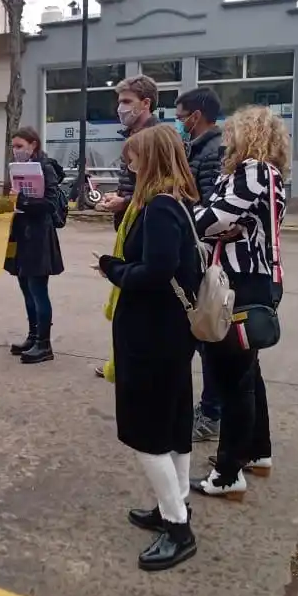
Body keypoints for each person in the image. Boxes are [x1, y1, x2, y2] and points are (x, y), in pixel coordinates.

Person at [93, 124, 202, 572]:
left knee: (147, 434)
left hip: (152, 337)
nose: (128, 165)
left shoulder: (158, 209)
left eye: (133, 159)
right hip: (171, 334)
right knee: (174, 425)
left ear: (150, 160)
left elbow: (155, 273)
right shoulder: (177, 202)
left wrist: (113, 269)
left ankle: (178, 528)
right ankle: (174, 507)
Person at [191, 106, 288, 501]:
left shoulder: (252, 171)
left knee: (231, 378)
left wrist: (195, 217)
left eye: (232, 133)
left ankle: (229, 472)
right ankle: (257, 452)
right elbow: (231, 222)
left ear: (249, 135)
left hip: (238, 283)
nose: (226, 141)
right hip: (256, 280)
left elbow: (213, 217)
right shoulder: (272, 174)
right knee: (248, 376)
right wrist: (225, 225)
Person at [0, 127, 64, 364]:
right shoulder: (19, 169)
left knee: (38, 290)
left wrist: (21, 199)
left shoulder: (45, 168)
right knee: (26, 288)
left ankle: (44, 345)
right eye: (13, 147)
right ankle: (33, 337)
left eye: (19, 146)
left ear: (33, 145)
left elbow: (48, 204)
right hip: (21, 233)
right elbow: (18, 203)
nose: (15, 151)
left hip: (38, 236)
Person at [94, 74, 160, 377]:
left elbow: (157, 187)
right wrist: (119, 197)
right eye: (119, 101)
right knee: (126, 305)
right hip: (128, 225)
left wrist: (127, 201)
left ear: (146, 103)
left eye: (126, 101)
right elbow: (134, 184)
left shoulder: (155, 137)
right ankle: (120, 363)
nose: (120, 108)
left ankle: (132, 367)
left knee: (137, 302)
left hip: (145, 230)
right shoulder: (132, 134)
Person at [174, 87, 225, 443]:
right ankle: (207, 406)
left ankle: (212, 412)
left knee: (209, 340)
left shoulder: (213, 150)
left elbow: (208, 206)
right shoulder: (197, 147)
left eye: (182, 118)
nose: (180, 124)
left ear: (198, 114)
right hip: (194, 247)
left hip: (205, 252)